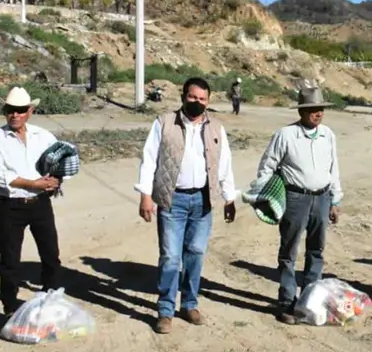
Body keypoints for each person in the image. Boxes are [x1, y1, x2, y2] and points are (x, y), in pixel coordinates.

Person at [136, 77, 237, 334]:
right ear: (183, 96)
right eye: (193, 97)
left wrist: (229, 198)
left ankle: (189, 304)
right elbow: (149, 160)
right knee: (170, 257)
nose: (197, 102)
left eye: (202, 99)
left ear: (208, 101)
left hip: (202, 200)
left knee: (195, 254)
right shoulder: (165, 122)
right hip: (173, 200)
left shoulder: (216, 127)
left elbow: (224, 164)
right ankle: (165, 311)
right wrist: (145, 195)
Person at [253, 87, 344, 324]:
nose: (318, 114)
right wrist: (268, 196)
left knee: (316, 251)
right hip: (295, 199)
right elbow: (267, 166)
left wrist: (335, 200)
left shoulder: (328, 135)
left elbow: (333, 169)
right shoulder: (286, 135)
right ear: (302, 111)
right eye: (313, 110)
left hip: (322, 198)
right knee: (289, 253)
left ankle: (310, 302)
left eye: (321, 109)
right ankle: (286, 303)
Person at [0, 87, 62, 317]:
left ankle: (51, 300)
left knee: (50, 257)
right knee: (9, 262)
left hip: (40, 205)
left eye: (19, 110)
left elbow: (62, 160)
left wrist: (57, 179)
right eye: (10, 110)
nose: (14, 115)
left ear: (30, 111)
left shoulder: (44, 136)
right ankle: (9, 309)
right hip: (11, 207)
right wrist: (34, 184)